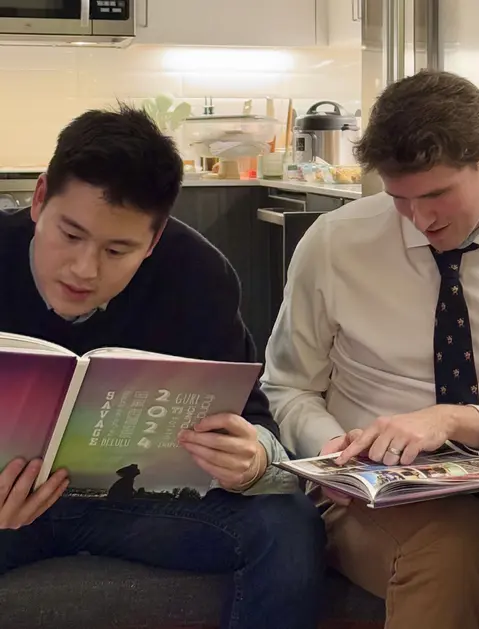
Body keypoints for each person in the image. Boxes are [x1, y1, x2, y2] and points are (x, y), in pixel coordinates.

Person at [261, 69, 479, 629]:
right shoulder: (335, 243)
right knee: (452, 542)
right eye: (399, 199)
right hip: (367, 490)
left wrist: (455, 420)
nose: (421, 219)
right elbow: (289, 384)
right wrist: (334, 456)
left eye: (437, 194)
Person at [0, 105, 325, 629]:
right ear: (39, 200)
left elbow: (258, 428)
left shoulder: (196, 276)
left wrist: (254, 462)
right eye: (71, 234)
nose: (84, 269)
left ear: (152, 242)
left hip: (135, 505)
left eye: (117, 249)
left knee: (287, 525)